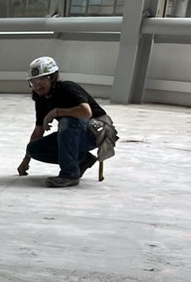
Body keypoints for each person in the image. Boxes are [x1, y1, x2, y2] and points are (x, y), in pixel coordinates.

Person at [17, 56, 118, 188]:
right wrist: (26, 159)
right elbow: (38, 130)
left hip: (97, 132)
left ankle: (69, 175)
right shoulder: (41, 99)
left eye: (42, 79)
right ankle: (83, 160)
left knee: (67, 122)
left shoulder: (67, 88)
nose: (37, 85)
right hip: (75, 134)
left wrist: (56, 112)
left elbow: (86, 112)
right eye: (33, 82)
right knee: (34, 148)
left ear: (52, 78)